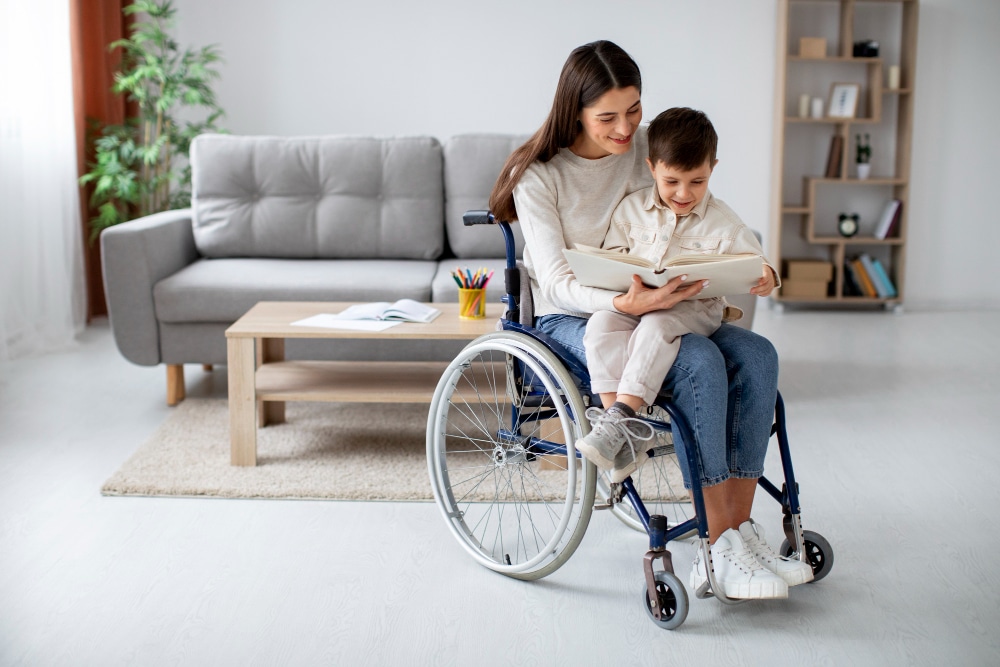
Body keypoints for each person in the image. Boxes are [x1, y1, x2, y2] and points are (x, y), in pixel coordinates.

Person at [488, 40, 812, 600]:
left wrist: (737, 269)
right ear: (574, 111)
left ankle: (738, 535)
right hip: (580, 314)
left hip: (665, 303)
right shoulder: (538, 175)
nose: (625, 129)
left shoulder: (649, 149)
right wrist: (623, 305)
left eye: (633, 110)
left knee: (758, 355)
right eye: (608, 117)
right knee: (700, 362)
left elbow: (700, 217)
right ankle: (716, 540)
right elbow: (560, 282)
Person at [576, 106, 778, 488]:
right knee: (600, 323)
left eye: (697, 182)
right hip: (640, 304)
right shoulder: (631, 209)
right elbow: (612, 256)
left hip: (693, 310)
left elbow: (756, 259)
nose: (684, 194)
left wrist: (767, 273)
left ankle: (621, 417)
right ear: (652, 167)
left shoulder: (723, 220)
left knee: (658, 323)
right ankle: (620, 434)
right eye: (672, 182)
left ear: (712, 169)